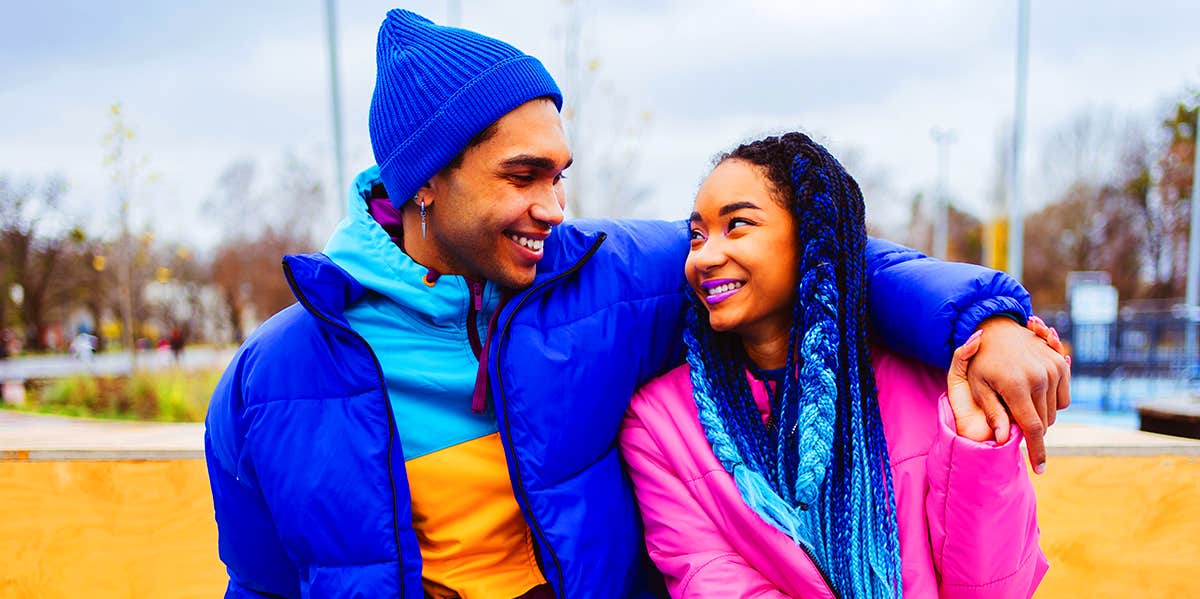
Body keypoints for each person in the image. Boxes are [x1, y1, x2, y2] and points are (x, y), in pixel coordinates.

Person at [204, 10, 1068, 599]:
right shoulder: (265, 384)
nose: (553, 205)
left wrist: (982, 320)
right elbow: (262, 583)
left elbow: (830, 261)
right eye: (522, 176)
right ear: (425, 181)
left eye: (558, 174)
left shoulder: (609, 280)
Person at [620, 133, 1049, 598]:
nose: (703, 257)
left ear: (811, 238)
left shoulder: (931, 388)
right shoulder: (659, 423)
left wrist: (976, 448)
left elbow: (997, 589)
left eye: (737, 225)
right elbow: (707, 579)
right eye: (697, 235)